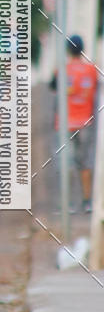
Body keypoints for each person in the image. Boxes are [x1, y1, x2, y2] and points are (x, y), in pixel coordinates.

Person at [50, 34, 98, 213]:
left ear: (67, 50)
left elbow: (53, 89)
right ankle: (87, 202)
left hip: (65, 123)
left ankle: (67, 204)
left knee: (66, 164)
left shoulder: (61, 70)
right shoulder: (91, 70)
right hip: (86, 122)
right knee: (85, 163)